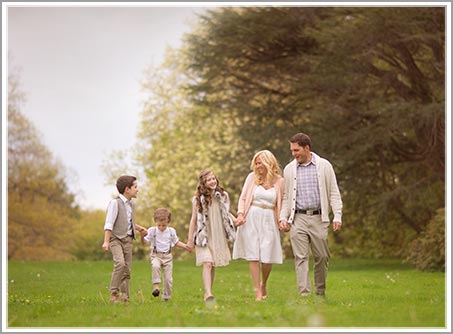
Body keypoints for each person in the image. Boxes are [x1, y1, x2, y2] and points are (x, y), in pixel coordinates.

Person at [279, 132, 343, 297]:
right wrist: (283, 218)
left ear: (306, 148)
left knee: (322, 256)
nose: (293, 154)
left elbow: (334, 192)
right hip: (298, 219)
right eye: (292, 151)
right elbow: (286, 197)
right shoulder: (289, 169)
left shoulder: (324, 166)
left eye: (296, 150)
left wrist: (337, 215)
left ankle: (320, 292)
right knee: (300, 258)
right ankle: (304, 294)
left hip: (318, 218)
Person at [232, 150, 284, 301]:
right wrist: (241, 214)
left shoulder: (280, 181)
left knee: (267, 258)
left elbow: (283, 202)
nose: (257, 166)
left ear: (269, 162)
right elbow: (242, 198)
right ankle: (257, 292)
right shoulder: (251, 178)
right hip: (251, 218)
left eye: (260, 162)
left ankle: (264, 284)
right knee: (253, 256)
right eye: (256, 163)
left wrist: (282, 219)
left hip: (269, 219)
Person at [187, 169, 236, 303]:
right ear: (203, 183)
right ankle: (208, 293)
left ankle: (209, 291)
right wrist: (190, 240)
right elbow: (193, 219)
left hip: (217, 234)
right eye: (209, 180)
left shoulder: (223, 196)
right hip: (203, 235)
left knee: (212, 264)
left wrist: (236, 220)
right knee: (207, 263)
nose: (212, 181)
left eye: (213, 179)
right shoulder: (198, 199)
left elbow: (226, 213)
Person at [102, 175, 147, 303]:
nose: (137, 190)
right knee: (120, 264)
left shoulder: (131, 204)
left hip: (128, 239)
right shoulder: (115, 203)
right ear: (127, 189)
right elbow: (109, 223)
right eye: (135, 187)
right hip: (115, 239)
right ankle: (113, 293)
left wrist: (139, 229)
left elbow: (128, 221)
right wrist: (106, 241)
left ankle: (125, 296)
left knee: (127, 268)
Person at [140, 208, 190, 301]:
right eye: (159, 225)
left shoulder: (171, 231)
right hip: (156, 255)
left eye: (164, 225)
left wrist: (186, 246)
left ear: (168, 222)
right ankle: (156, 287)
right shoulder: (152, 230)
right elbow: (144, 242)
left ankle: (166, 298)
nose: (161, 227)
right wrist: (142, 236)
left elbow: (176, 242)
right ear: (155, 222)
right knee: (155, 266)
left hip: (167, 257)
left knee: (168, 280)